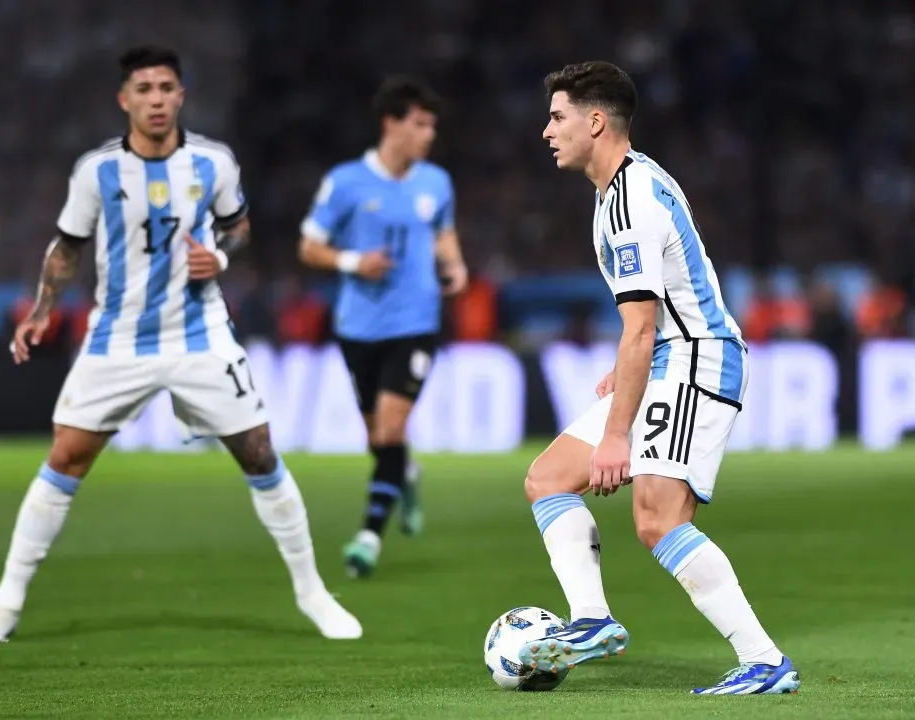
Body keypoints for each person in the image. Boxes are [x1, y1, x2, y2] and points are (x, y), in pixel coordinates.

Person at [0, 45, 361, 644]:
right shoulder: (96, 172)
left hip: (199, 333)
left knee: (258, 451)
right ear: (124, 99)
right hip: (118, 338)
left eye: (165, 87)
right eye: (143, 89)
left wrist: (219, 255)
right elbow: (68, 247)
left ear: (181, 96)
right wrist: (41, 311)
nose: (155, 99)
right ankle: (4, 604)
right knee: (66, 457)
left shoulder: (213, 164)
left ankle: (313, 595)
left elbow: (238, 226)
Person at [520, 61, 800, 695]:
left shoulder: (629, 200)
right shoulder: (628, 184)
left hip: (699, 358)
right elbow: (655, 314)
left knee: (658, 518)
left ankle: (764, 661)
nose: (547, 131)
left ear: (596, 121)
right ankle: (592, 621)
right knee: (548, 478)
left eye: (558, 117)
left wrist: (617, 436)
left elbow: (644, 328)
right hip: (672, 355)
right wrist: (625, 371)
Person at [298, 76, 468, 578]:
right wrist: (354, 262)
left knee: (391, 428)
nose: (428, 134)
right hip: (358, 326)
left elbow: (443, 231)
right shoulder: (345, 182)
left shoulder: (435, 182)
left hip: (415, 322)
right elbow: (309, 247)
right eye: (420, 124)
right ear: (390, 123)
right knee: (379, 439)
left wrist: (454, 264)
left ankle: (368, 537)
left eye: (432, 125)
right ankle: (405, 473)